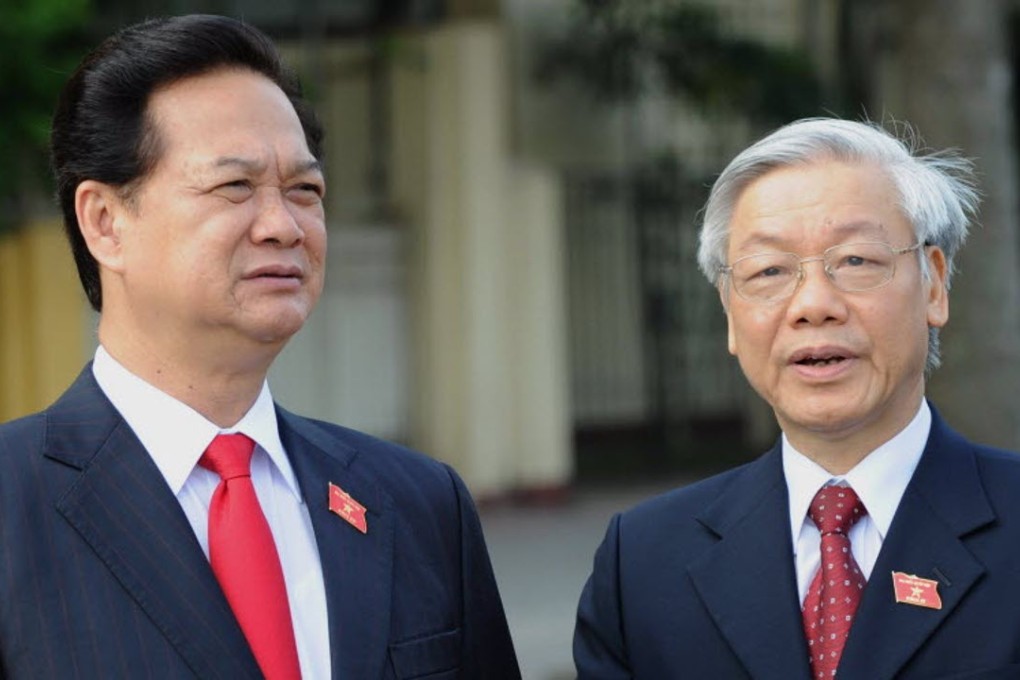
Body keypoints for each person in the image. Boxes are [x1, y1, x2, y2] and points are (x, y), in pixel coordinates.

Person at [0, 14, 520, 680]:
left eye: (305, 190)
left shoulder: (419, 504)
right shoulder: (17, 506)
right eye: (234, 186)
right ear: (105, 222)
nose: (283, 225)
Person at [573, 118, 1020, 679]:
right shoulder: (641, 562)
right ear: (729, 313)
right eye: (769, 271)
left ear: (933, 284)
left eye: (856, 260)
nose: (813, 304)